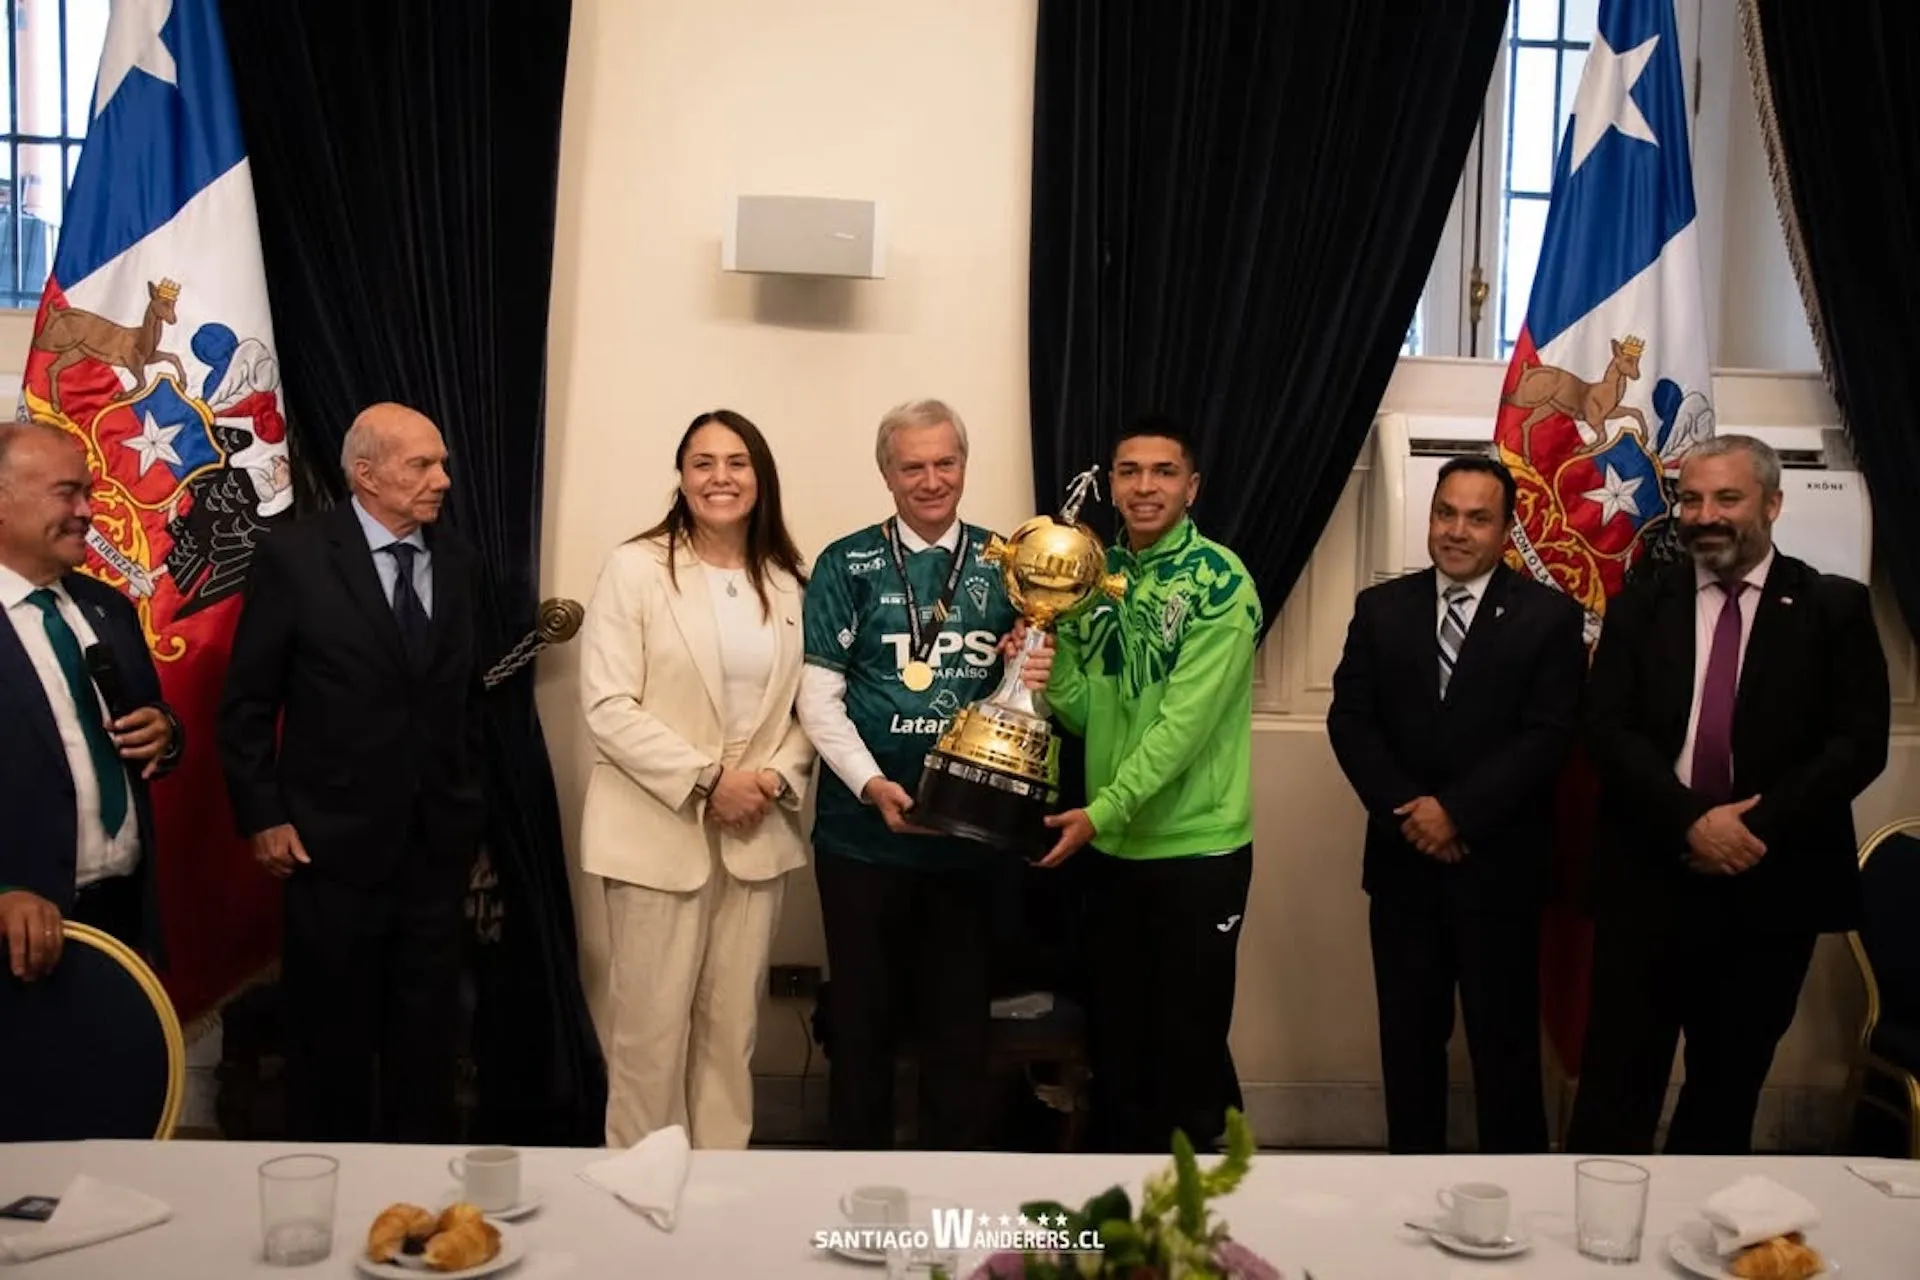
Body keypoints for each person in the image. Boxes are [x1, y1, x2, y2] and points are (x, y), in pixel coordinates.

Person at [1567, 434, 1890, 1155]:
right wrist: (1691, 822)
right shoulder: (1639, 603)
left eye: (1727, 498)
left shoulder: (1831, 607)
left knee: (1725, 1090)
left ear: (1773, 504)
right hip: (1650, 873)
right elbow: (1605, 727)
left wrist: (1749, 828)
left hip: (1768, 884)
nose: (1704, 515)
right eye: (1690, 499)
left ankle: (1696, 1250)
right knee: (1616, 1086)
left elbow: (1858, 744)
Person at [218, 401, 485, 1144]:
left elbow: (466, 704)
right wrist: (262, 814)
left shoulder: (459, 564)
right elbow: (246, 703)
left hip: (433, 852)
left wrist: (470, 811)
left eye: (441, 464)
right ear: (365, 474)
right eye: (422, 465)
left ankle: (417, 1206)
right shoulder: (296, 558)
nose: (442, 480)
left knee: (427, 1047)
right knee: (328, 1047)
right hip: (326, 850)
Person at [796, 398, 1040, 1150]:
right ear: (887, 473)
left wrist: (1027, 671)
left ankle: (952, 1208)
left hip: (966, 840)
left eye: (946, 462)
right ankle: (849, 1196)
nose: (932, 479)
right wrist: (872, 785)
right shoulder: (846, 561)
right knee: (862, 1028)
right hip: (861, 841)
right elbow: (818, 697)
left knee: (958, 1037)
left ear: (964, 465)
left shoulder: (1011, 563)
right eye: (913, 466)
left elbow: (1025, 699)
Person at [1325, 455, 1586, 1154]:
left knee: (1505, 1050)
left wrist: (1459, 814)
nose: (1457, 531)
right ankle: (1409, 1191)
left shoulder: (1550, 616)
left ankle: (1521, 1199)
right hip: (1404, 866)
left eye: (1477, 518)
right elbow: (1351, 720)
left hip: (1499, 870)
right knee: (1408, 1046)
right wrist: (1413, 810)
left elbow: (1549, 735)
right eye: (1446, 513)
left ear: (1507, 529)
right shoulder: (1381, 609)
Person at [578, 410, 816, 1150]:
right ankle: (637, 1206)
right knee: (648, 1038)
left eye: (737, 462)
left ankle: (720, 1196)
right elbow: (607, 704)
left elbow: (818, 705)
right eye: (703, 462)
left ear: (761, 477)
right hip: (655, 833)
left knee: (729, 1037)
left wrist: (774, 778)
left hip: (756, 837)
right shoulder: (635, 567)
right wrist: (711, 780)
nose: (721, 477)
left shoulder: (791, 582)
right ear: (680, 478)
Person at [1032, 417, 1261, 1155]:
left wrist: (1099, 812)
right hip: (1111, 853)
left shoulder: (1222, 583)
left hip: (1195, 853)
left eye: (1163, 472)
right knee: (1119, 1051)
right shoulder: (1096, 580)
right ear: (1113, 483)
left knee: (1187, 1054)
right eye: (1129, 471)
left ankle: (1205, 1245)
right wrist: (1043, 665)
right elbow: (1081, 709)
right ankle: (1124, 1240)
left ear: (1191, 487)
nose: (1144, 486)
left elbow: (1181, 729)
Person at [0, 422, 179, 978]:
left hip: (121, 918)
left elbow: (154, 721)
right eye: (66, 492)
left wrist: (165, 733)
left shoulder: (108, 609)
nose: (87, 511)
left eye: (88, 493)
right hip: (18, 938)